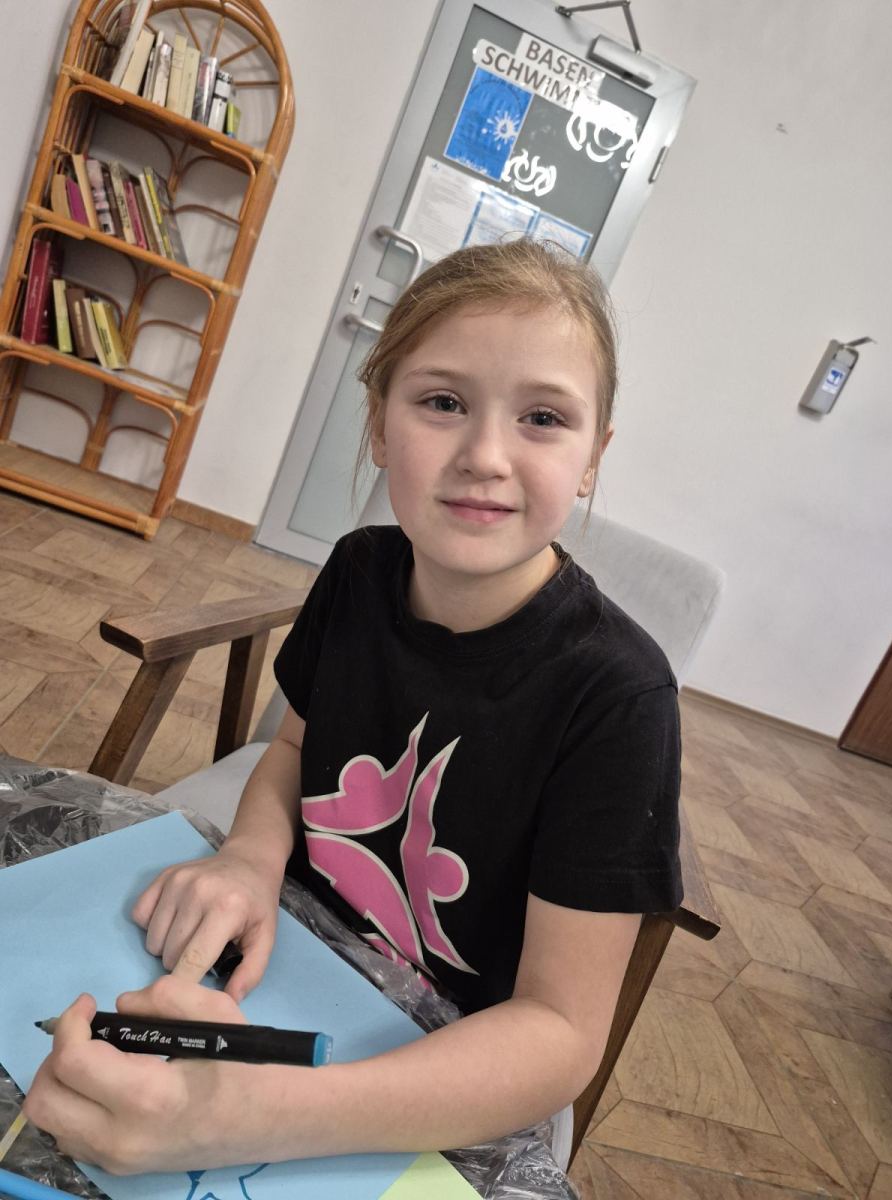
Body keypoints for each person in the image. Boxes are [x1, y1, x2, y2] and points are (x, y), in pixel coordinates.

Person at [24, 238, 682, 1173]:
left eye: (543, 417)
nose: (486, 456)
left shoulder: (619, 696)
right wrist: (251, 858)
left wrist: (246, 1116)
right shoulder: (359, 569)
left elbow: (560, 1032)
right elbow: (294, 752)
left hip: (438, 1062)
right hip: (282, 953)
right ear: (377, 425)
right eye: (443, 402)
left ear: (591, 458)